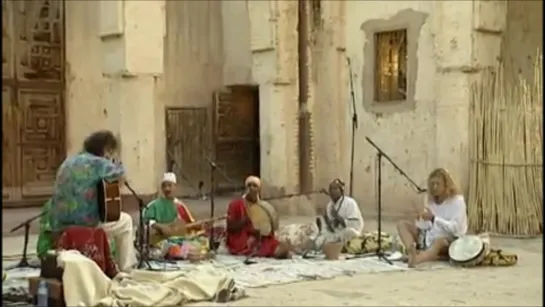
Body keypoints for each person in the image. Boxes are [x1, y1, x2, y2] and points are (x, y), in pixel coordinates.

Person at [36, 130, 137, 272]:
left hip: (58, 225)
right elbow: (121, 176)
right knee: (125, 221)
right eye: (110, 151)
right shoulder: (98, 163)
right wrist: (114, 161)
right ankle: (126, 269)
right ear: (106, 149)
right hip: (85, 224)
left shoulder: (68, 162)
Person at [397, 168, 468, 268]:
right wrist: (419, 219)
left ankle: (417, 259)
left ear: (446, 185)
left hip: (449, 240)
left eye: (437, 184)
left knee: (439, 241)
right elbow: (428, 226)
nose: (434, 187)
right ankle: (411, 251)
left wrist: (434, 219)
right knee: (402, 224)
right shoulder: (430, 199)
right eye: (432, 184)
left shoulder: (457, 201)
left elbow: (456, 229)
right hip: (429, 237)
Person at [143, 172, 214, 258]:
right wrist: (161, 227)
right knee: (173, 248)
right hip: (160, 240)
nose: (167, 189)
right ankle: (181, 254)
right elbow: (148, 222)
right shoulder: (154, 205)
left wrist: (203, 225)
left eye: (170, 185)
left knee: (202, 241)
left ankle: (184, 253)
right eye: (164, 186)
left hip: (178, 239)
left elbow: (190, 223)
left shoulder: (179, 205)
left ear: (175, 187)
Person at [225, 176, 292, 259]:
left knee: (277, 245)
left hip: (260, 238)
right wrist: (243, 221)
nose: (251, 188)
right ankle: (275, 252)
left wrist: (262, 231)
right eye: (249, 185)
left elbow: (269, 230)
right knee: (261, 246)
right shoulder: (236, 204)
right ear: (246, 188)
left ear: (259, 190)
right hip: (242, 240)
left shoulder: (263, 206)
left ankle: (279, 251)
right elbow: (230, 227)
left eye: (254, 186)